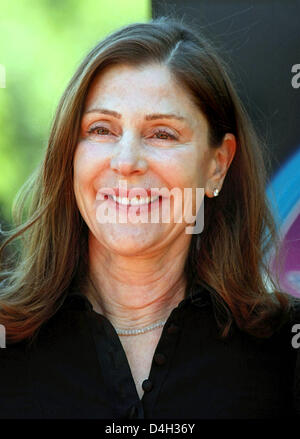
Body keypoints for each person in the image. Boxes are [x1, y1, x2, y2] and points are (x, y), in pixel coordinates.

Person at [0, 16, 299, 420]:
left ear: (218, 164)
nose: (126, 162)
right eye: (102, 129)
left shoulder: (283, 355)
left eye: (162, 134)